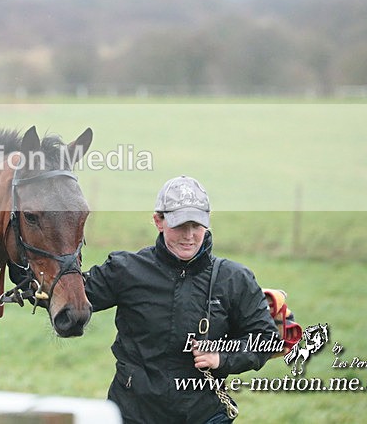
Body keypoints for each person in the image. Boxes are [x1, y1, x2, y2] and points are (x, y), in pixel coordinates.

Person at [85, 175, 279, 423]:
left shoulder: (234, 279)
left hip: (204, 414)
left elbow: (266, 339)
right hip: (132, 413)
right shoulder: (125, 270)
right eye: (179, 226)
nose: (189, 236)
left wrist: (222, 357)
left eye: (196, 226)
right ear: (159, 221)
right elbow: (66, 294)